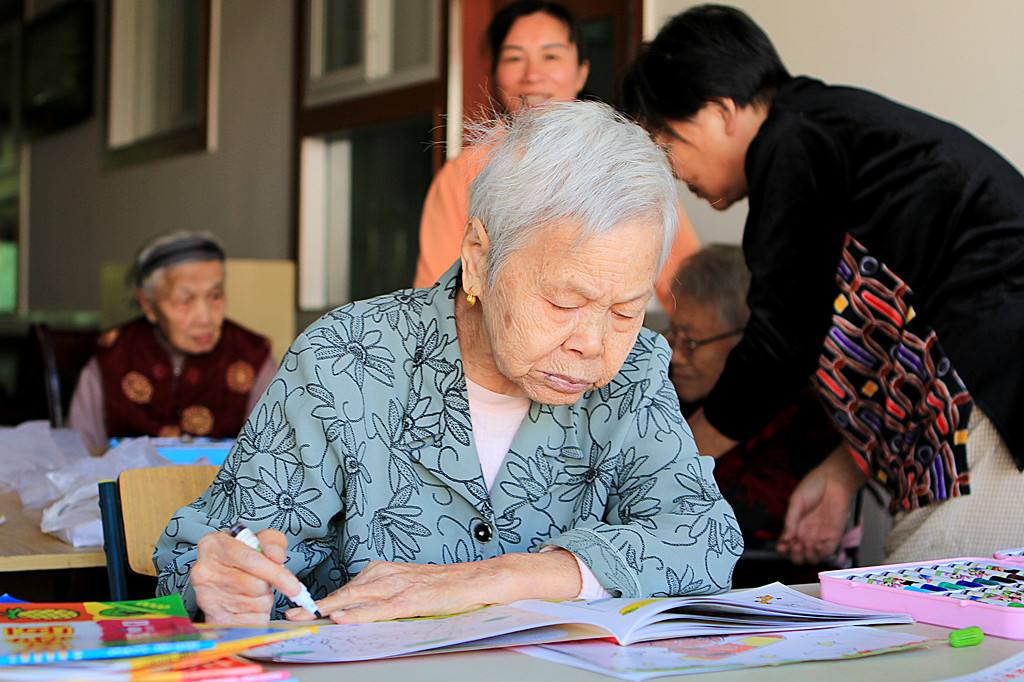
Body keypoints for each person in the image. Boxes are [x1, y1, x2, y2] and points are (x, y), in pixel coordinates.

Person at [153, 101, 742, 625]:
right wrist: (227, 588)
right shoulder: (346, 361)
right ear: (479, 258)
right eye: (564, 302)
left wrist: (499, 579)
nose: (592, 342)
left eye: (625, 310)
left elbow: (704, 539)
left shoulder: (631, 370)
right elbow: (199, 564)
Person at [623, 5, 1024, 563]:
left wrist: (676, 458)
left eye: (668, 143)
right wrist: (842, 473)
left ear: (720, 111)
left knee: (929, 597)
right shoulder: (826, 130)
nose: (673, 171)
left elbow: (780, 344)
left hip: (994, 381)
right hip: (980, 380)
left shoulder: (792, 143)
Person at [413, 0, 699, 311]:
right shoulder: (464, 174)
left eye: (550, 56)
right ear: (495, 74)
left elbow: (689, 286)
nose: (532, 74)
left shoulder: (623, 163)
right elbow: (435, 298)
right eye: (514, 57)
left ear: (581, 72)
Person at [666, 245, 846, 584]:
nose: (675, 356)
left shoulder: (802, 419)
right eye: (673, 334)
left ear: (747, 340)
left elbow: (745, 516)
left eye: (690, 342)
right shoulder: (665, 395)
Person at [68, 232, 275, 453]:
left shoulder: (252, 355)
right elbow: (77, 453)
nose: (205, 318)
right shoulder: (113, 354)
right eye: (185, 300)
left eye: (215, 296)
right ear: (148, 305)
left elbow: (274, 454)